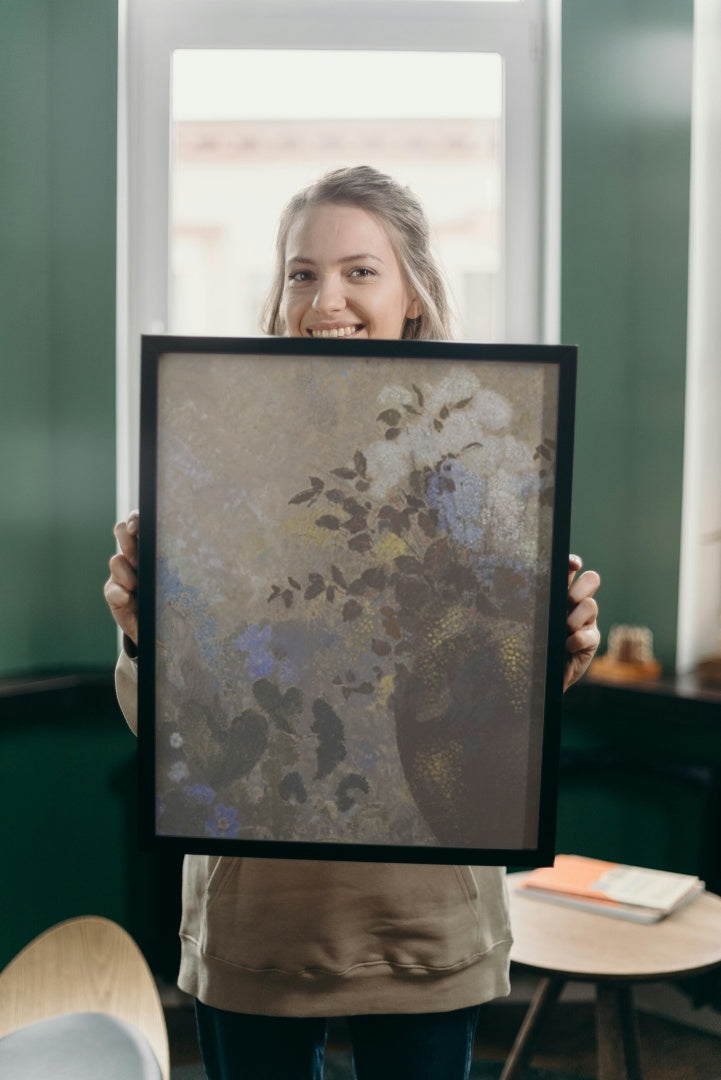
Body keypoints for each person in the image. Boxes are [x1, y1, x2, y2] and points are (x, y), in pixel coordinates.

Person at [105, 166, 601, 1080]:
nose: (324, 297)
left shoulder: (483, 461)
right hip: (258, 920)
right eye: (301, 272)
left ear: (412, 292)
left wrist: (555, 651)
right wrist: (146, 638)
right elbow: (178, 734)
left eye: (359, 271)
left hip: (423, 918)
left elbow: (487, 715)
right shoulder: (214, 460)